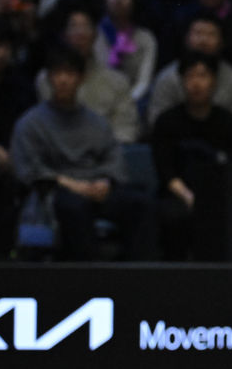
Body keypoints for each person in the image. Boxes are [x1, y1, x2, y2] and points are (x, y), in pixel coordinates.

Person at [9, 45, 157, 261]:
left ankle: (140, 273)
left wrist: (105, 182)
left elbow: (113, 159)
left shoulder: (96, 122)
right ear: (48, 78)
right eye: (57, 73)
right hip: (55, 191)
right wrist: (72, 185)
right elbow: (30, 170)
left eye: (69, 73)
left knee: (142, 204)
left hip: (96, 188)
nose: (63, 80)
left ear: (81, 78)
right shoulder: (30, 123)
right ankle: (89, 274)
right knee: (74, 207)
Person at [150, 51, 232, 259]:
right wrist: (190, 197)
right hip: (178, 195)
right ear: (182, 81)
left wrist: (209, 199)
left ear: (214, 81)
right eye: (190, 76)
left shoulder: (231, 124)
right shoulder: (167, 122)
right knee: (172, 216)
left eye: (203, 75)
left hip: (222, 196)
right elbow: (165, 171)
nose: (196, 83)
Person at [35, 4, 140, 143]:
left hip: (106, 152)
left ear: (95, 35)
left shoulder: (117, 82)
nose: (80, 34)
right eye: (74, 27)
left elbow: (125, 130)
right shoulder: (46, 79)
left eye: (86, 26)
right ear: (64, 35)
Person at [147, 13, 232, 136]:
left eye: (211, 34)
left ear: (221, 42)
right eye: (198, 33)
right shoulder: (167, 78)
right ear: (186, 39)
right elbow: (155, 123)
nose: (203, 41)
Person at [0, 19, 35, 257]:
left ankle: (3, 256)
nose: (0, 53)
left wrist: (13, 152)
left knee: (12, 187)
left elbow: (30, 124)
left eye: (5, 46)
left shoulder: (21, 84)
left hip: (16, 160)